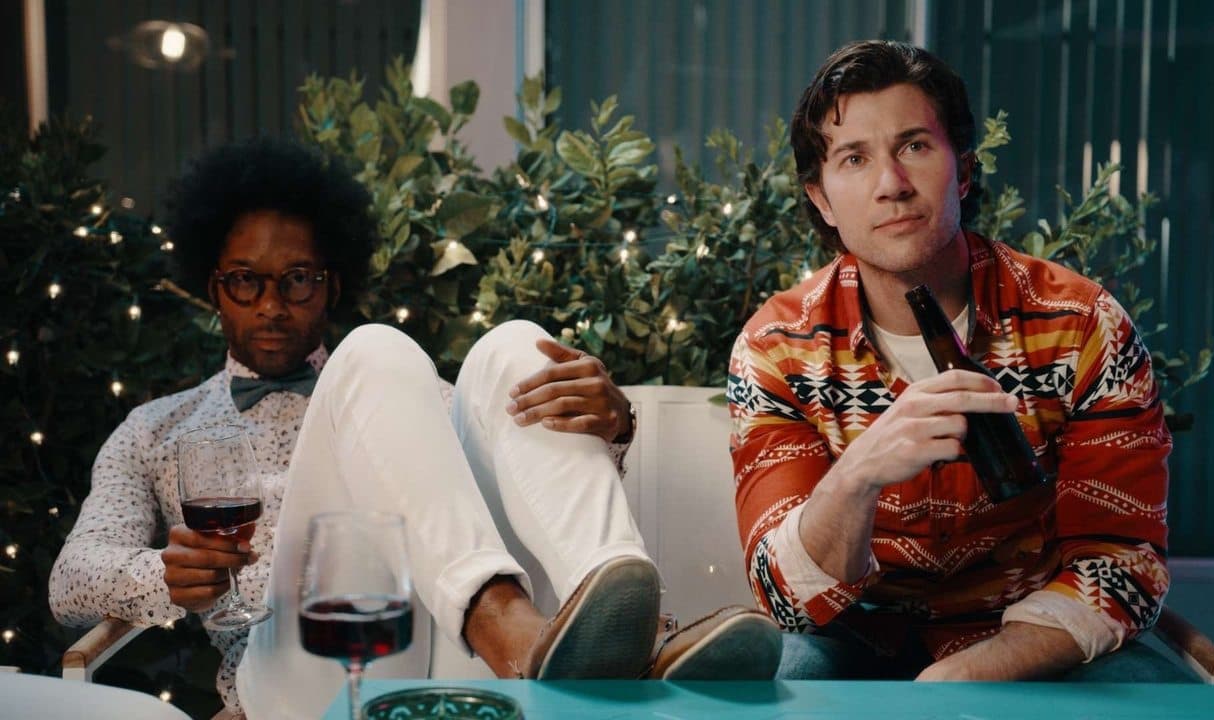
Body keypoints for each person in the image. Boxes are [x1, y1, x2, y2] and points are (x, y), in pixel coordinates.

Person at [50, 138, 780, 718]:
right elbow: (70, 581)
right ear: (215, 288)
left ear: (331, 284)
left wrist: (612, 428)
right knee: (374, 348)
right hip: (304, 685)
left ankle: (613, 624)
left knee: (511, 348)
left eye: (297, 278)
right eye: (246, 280)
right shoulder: (157, 429)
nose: (271, 304)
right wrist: (164, 578)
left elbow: (525, 499)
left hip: (451, 663)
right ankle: (581, 659)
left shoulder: (407, 399)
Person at [728, 40, 1183, 682]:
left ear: (963, 171)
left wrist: (965, 675)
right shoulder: (776, 347)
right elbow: (785, 597)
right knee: (786, 685)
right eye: (854, 158)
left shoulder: (1081, 325)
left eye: (915, 146)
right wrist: (856, 476)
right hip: (851, 636)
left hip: (1030, 632)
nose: (892, 185)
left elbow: (1121, 562)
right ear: (821, 198)